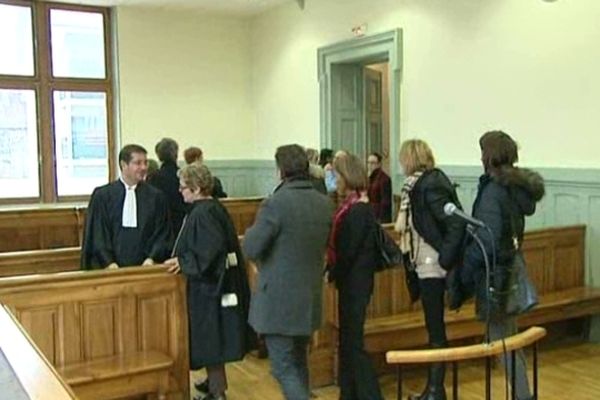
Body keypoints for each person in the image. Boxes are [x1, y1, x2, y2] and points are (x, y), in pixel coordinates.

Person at [243, 144, 333, 400]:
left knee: (283, 367)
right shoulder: (323, 203)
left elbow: (251, 247)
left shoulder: (276, 203)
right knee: (298, 362)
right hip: (309, 295)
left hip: (279, 301)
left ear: (280, 171)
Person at [459, 131, 544, 400]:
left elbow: (488, 239)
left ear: (489, 155)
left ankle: (523, 396)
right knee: (509, 340)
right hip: (508, 271)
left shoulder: (494, 190)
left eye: (482, 150)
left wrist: (464, 272)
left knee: (502, 344)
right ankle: (524, 395)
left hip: (496, 276)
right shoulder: (513, 188)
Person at [165, 163, 251, 400]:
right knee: (213, 341)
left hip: (210, 289)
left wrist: (184, 263)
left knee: (211, 341)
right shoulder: (213, 208)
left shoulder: (203, 213)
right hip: (217, 286)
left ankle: (217, 393)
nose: (180, 192)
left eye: (183, 188)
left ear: (196, 188)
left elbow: (209, 251)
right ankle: (215, 385)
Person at [395, 140, 465, 400]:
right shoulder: (418, 185)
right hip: (425, 262)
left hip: (432, 264)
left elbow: (455, 222)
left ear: (410, 159)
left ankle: (436, 390)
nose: (400, 164)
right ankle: (434, 389)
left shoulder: (428, 185)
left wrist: (445, 259)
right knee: (433, 327)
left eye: (403, 158)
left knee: (435, 329)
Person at [326, 152, 383, 400]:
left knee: (353, 344)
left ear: (346, 176)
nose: (334, 179)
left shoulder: (358, 210)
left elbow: (348, 251)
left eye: (336, 174)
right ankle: (348, 394)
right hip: (351, 282)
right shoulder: (353, 205)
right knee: (347, 342)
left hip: (356, 283)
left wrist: (331, 271)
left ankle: (370, 395)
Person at [81, 144, 170, 269]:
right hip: (110, 269)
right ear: (123, 165)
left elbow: (162, 233)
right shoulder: (103, 196)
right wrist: (108, 262)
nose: (143, 167)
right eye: (138, 163)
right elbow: (98, 233)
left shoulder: (156, 197)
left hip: (146, 269)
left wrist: (152, 258)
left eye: (145, 163)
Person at [148, 138, 187, 236]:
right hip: (182, 223)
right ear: (176, 154)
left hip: (160, 225)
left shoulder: (154, 178)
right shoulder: (183, 175)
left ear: (159, 156)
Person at [367, 152, 392, 223]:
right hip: (370, 213)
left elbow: (385, 202)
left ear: (379, 164)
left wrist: (381, 220)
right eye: (368, 162)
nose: (369, 165)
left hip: (378, 216)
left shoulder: (384, 179)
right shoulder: (370, 177)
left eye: (372, 163)